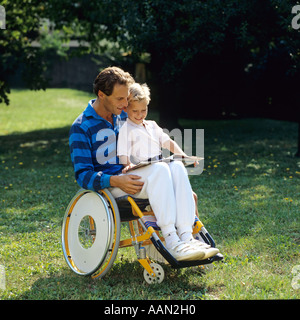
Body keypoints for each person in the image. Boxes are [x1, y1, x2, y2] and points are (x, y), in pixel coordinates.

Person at [69, 66, 219, 261]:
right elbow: (82, 175)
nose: (125, 104)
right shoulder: (81, 127)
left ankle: (186, 237)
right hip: (113, 186)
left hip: (140, 174)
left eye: (127, 98)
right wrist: (115, 181)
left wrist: (178, 180)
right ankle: (172, 241)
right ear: (101, 95)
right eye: (120, 99)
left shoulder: (125, 114)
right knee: (160, 169)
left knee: (176, 166)